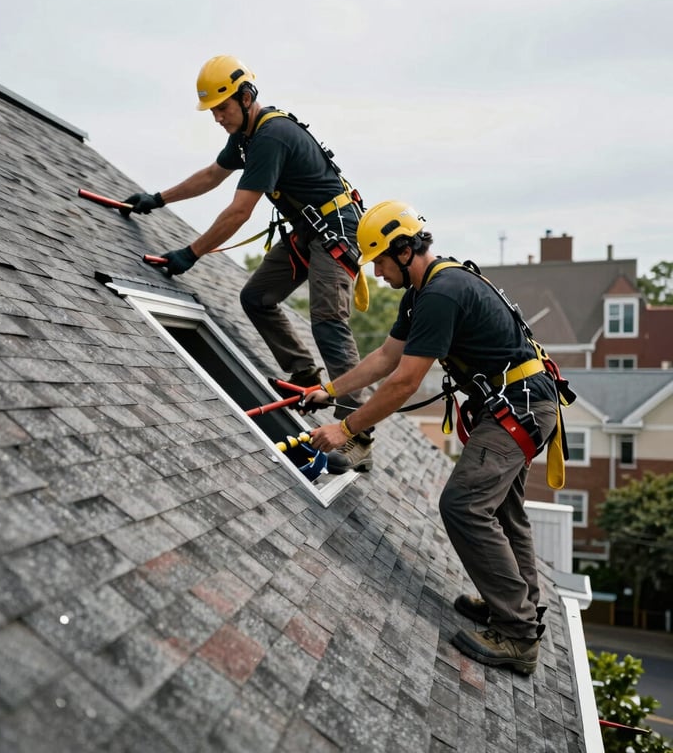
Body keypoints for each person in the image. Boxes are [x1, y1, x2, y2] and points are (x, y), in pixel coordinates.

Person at [303, 201, 562, 675]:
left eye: (380, 260)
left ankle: (518, 633)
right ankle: (513, 604)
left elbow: (403, 382)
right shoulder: (423, 293)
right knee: (502, 510)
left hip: (519, 408)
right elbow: (386, 357)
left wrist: (345, 428)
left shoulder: (442, 292)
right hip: (519, 406)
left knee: (464, 505)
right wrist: (331, 390)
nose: (376, 272)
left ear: (405, 251)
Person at [120, 55, 372, 474]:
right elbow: (212, 175)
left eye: (223, 107)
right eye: (213, 111)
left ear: (246, 96)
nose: (218, 117)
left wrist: (191, 252)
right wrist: (158, 198)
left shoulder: (271, 136)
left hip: (335, 231)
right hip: (308, 228)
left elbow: (239, 211)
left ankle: (357, 434)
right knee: (256, 297)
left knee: (328, 323)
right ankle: (305, 378)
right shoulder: (244, 137)